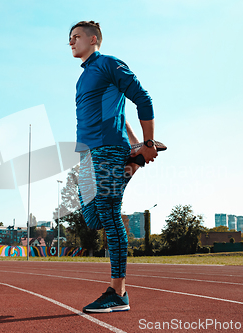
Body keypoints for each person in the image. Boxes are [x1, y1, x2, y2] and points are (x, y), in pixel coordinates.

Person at [69, 20, 158, 313]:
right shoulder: (83, 78)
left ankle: (118, 293)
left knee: (108, 212)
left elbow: (142, 99)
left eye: (77, 36)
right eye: (70, 38)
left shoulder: (109, 64)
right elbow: (115, 110)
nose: (72, 42)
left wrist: (148, 141)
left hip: (107, 149)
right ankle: (133, 163)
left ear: (94, 39)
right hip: (86, 154)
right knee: (92, 219)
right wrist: (136, 145)